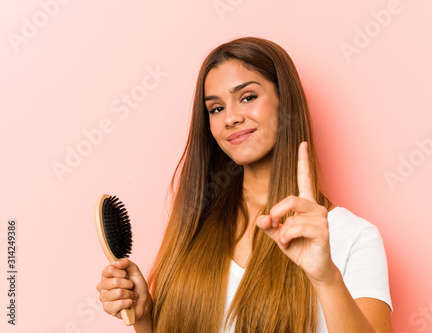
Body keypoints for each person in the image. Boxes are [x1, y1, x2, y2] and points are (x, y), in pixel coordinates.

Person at [97, 36, 393, 332]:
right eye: (215, 108)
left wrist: (326, 278)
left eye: (248, 97)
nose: (231, 118)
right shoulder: (197, 224)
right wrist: (145, 318)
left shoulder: (353, 237)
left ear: (284, 101)